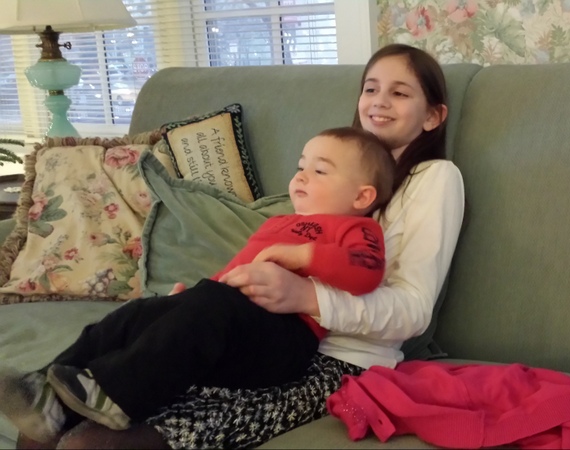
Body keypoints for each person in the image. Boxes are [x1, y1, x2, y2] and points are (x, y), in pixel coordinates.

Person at [15, 43, 466, 450]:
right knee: (46, 423)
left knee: (92, 443)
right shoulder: (332, 179)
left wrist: (304, 296)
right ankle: (47, 393)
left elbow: (412, 311)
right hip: (255, 331)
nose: (380, 101)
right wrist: (190, 304)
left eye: (400, 93)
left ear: (432, 116)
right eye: (371, 88)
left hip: (339, 362)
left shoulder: (434, 178)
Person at [1, 126, 394, 442]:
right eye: (301, 166)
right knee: (139, 313)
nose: (301, 176)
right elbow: (233, 276)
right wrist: (187, 304)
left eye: (320, 171)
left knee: (210, 305)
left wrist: (304, 256)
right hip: (234, 322)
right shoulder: (278, 223)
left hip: (286, 338)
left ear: (362, 196)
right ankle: (49, 393)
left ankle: (118, 394)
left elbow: (367, 272)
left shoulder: (358, 228)